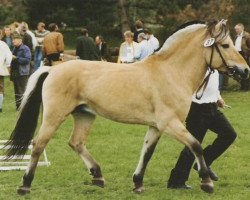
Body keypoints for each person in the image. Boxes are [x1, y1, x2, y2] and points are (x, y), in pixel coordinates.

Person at [167, 70, 237, 189]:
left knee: (229, 134)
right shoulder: (198, 62)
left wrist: (218, 97)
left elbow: (212, 82)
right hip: (197, 109)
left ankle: (204, 163)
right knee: (193, 145)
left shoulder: (214, 62)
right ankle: (176, 181)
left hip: (212, 107)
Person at [10, 32, 31, 110]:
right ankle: (18, 107)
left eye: (14, 39)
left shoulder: (25, 48)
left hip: (22, 72)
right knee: (16, 91)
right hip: (15, 72)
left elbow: (27, 60)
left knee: (22, 90)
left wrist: (16, 58)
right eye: (12, 39)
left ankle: (24, 107)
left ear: (20, 40)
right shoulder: (14, 48)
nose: (13, 41)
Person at [234, 23, 250, 91]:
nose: (236, 30)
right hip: (238, 55)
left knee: (246, 71)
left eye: (238, 29)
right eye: (235, 29)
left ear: (242, 28)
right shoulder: (236, 36)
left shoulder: (247, 36)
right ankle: (242, 86)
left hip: (245, 55)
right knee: (240, 71)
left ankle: (246, 87)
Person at [0, 40, 12, 112]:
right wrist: (7, 64)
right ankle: (0, 107)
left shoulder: (3, 44)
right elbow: (8, 56)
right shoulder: (3, 44)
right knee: (0, 88)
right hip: (0, 68)